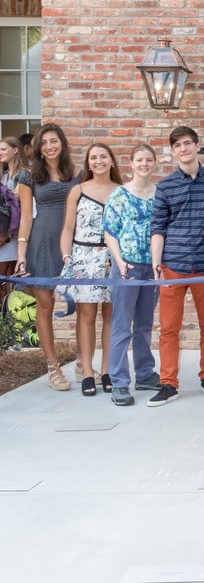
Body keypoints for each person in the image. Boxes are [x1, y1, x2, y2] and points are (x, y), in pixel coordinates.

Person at [149, 126, 204, 406]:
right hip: (173, 266)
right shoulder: (165, 186)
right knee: (168, 328)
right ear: (172, 151)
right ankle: (168, 383)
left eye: (188, 143)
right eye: (178, 145)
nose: (184, 149)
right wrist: (156, 262)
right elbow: (158, 227)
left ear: (198, 145)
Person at [14, 124, 81, 391]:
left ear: (62, 143)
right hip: (41, 243)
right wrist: (21, 254)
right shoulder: (29, 176)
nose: (50, 146)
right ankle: (52, 367)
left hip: (74, 244)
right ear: (38, 148)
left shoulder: (77, 173)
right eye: (44, 142)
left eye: (54, 141)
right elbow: (26, 219)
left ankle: (82, 363)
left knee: (83, 305)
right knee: (46, 305)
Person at [59, 143, 123, 396]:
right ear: (88, 163)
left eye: (103, 156)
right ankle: (87, 371)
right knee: (86, 315)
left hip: (112, 257)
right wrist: (66, 256)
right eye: (93, 157)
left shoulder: (122, 191)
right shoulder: (78, 190)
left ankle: (107, 371)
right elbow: (67, 228)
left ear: (112, 161)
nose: (98, 161)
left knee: (110, 316)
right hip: (83, 256)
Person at [103, 144, 160, 406]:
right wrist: (120, 260)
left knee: (145, 323)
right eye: (139, 160)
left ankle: (145, 373)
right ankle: (120, 382)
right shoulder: (119, 194)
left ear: (155, 163)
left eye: (149, 160)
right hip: (126, 266)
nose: (144, 164)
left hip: (151, 266)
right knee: (122, 324)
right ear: (131, 163)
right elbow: (109, 232)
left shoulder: (159, 195)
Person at [0, 136, 30, 290]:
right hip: (3, 231)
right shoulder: (4, 175)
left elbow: (15, 198)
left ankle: (9, 312)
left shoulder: (24, 174)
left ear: (16, 150)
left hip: (16, 232)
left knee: (11, 276)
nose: (0, 153)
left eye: (3, 149)